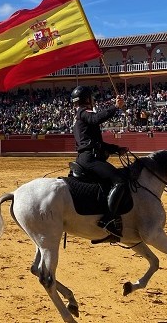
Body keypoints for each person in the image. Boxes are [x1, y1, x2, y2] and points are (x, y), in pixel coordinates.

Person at [71, 86, 128, 241]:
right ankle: (108, 219)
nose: (93, 100)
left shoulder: (79, 115)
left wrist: (117, 149)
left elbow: (96, 143)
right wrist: (116, 107)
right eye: (92, 98)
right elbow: (96, 118)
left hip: (87, 156)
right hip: (90, 159)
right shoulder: (84, 113)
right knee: (120, 180)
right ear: (87, 99)